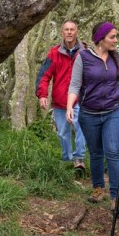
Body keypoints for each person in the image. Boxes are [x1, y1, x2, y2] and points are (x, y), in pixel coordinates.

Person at [67, 21, 119, 214]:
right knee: (96, 153)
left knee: (113, 152)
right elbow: (75, 84)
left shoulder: (116, 58)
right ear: (101, 39)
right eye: (112, 37)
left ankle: (116, 197)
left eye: (116, 36)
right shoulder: (83, 57)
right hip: (89, 113)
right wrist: (70, 106)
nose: (115, 40)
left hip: (113, 111)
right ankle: (98, 188)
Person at [36, 20, 88, 170]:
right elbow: (44, 75)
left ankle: (79, 159)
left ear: (76, 32)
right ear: (62, 32)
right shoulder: (54, 53)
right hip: (60, 101)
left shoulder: (85, 52)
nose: (69, 32)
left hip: (80, 100)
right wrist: (43, 95)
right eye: (66, 29)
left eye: (72, 29)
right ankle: (67, 159)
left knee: (81, 128)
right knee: (63, 133)